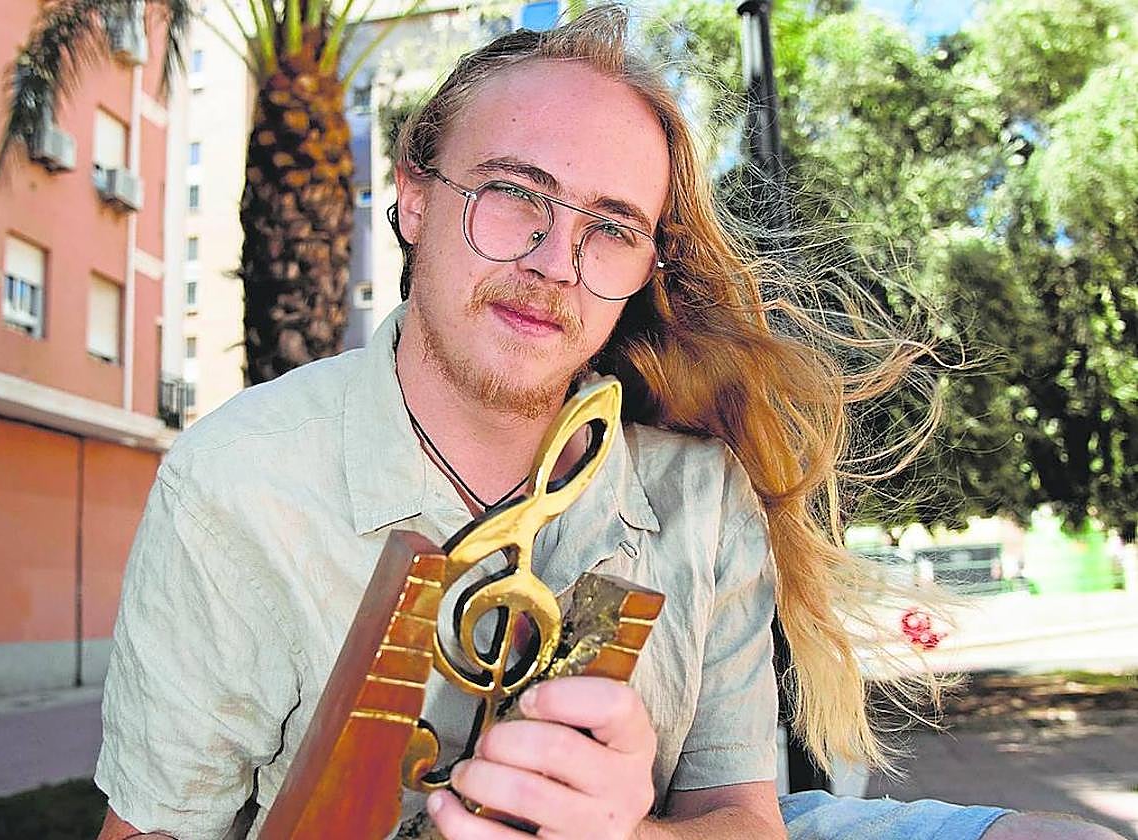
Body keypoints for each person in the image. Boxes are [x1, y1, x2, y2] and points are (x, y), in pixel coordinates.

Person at [94, 7, 1123, 839]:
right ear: (412, 196)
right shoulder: (238, 481)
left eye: (611, 229)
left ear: (642, 271)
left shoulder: (697, 492)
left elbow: (741, 819)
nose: (552, 262)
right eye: (512, 195)